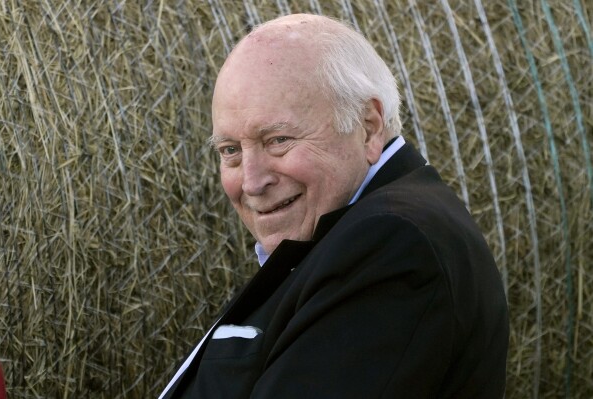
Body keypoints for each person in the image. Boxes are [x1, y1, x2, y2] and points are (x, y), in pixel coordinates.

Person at [160, 13, 508, 399]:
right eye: (230, 151)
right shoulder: (347, 234)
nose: (252, 182)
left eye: (278, 140)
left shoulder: (391, 246)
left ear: (369, 126)